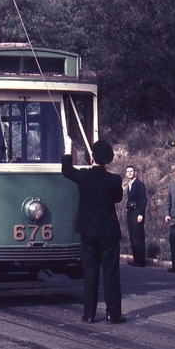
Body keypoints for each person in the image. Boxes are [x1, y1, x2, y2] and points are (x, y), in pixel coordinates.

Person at [62, 138, 126, 324]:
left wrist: (68, 149)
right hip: (108, 231)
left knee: (90, 272)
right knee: (111, 272)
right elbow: (117, 199)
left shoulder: (83, 176)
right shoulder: (114, 179)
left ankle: (89, 314)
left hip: (88, 231)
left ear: (92, 158)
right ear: (109, 159)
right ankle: (113, 314)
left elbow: (66, 170)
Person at [125, 165, 147, 267]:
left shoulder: (139, 184)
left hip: (137, 211)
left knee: (138, 236)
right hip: (130, 211)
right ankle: (135, 259)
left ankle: (140, 260)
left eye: (131, 171)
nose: (129, 173)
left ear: (135, 173)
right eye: (128, 171)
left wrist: (141, 213)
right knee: (132, 235)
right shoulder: (129, 185)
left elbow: (143, 199)